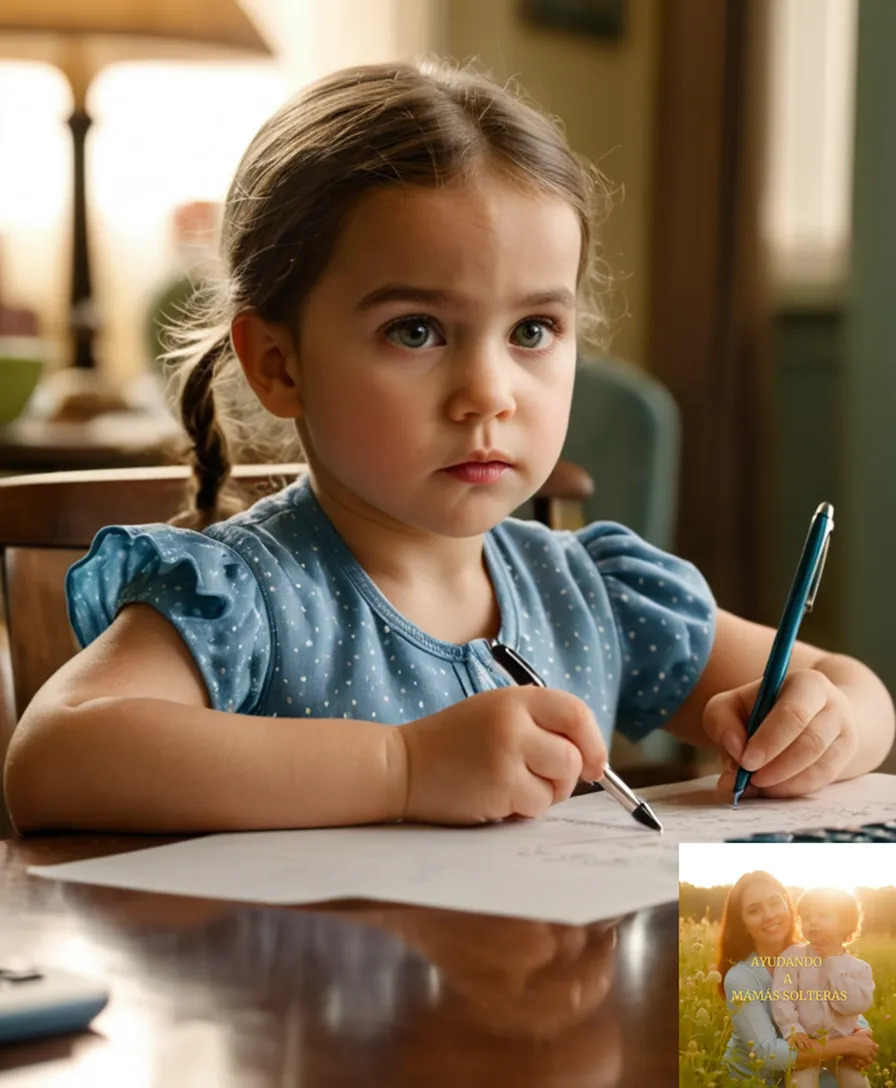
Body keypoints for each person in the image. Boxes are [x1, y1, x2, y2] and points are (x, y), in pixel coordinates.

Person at [3, 58, 894, 833]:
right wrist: (404, 769)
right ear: (279, 364)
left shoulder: (591, 593)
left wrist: (823, 724)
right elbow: (53, 757)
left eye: (534, 330)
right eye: (417, 331)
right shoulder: (249, 599)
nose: (489, 394)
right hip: (304, 1026)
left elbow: (854, 688)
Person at [717, 872, 878, 1085]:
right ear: (743, 924)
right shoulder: (740, 978)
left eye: (775, 903)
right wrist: (849, 1045)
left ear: (788, 906)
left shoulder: (816, 953)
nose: (769, 915)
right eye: (754, 910)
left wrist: (862, 1033)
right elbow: (768, 1054)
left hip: (812, 1064)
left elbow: (841, 1005)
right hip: (758, 1080)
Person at [770, 886, 874, 1087]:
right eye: (807, 917)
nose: (813, 922)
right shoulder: (793, 957)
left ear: (846, 923)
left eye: (823, 915)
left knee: (858, 1083)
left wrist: (833, 962)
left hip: (844, 1049)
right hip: (807, 1044)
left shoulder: (859, 969)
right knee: (801, 1083)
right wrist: (793, 1030)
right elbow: (782, 997)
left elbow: (852, 1006)